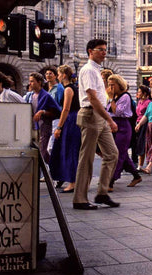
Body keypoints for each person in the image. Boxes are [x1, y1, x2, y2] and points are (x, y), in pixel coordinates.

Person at [72, 39, 120, 210]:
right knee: (87, 158)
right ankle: (80, 199)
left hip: (99, 116)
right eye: (100, 49)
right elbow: (92, 98)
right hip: (91, 115)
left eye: (105, 50)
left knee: (112, 153)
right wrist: (109, 119)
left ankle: (102, 193)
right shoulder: (88, 70)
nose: (104, 52)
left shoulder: (97, 71)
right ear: (90, 51)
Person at [106, 75, 142, 189]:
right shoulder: (114, 97)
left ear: (119, 85)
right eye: (109, 85)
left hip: (123, 126)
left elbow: (117, 112)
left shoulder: (125, 96)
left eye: (113, 85)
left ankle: (111, 180)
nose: (111, 87)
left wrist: (111, 99)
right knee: (122, 154)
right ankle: (136, 175)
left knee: (118, 154)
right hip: (114, 125)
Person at [50, 65, 81, 194]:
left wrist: (59, 127)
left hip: (71, 120)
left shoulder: (69, 89)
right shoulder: (73, 88)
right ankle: (71, 180)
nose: (57, 76)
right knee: (70, 150)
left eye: (58, 73)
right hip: (73, 119)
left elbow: (66, 109)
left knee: (70, 150)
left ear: (63, 75)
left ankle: (72, 182)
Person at [27, 72, 61, 165]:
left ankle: (52, 168)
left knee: (43, 150)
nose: (30, 83)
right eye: (30, 81)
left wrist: (43, 112)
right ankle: (51, 169)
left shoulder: (46, 96)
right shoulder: (30, 96)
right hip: (32, 126)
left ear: (39, 82)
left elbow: (56, 112)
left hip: (44, 126)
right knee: (36, 150)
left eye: (32, 81)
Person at [134, 85, 152, 171]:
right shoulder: (139, 101)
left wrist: (140, 124)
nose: (138, 93)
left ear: (144, 93)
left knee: (143, 143)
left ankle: (143, 164)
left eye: (140, 92)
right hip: (138, 123)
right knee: (139, 143)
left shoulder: (148, 102)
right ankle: (140, 164)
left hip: (145, 124)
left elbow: (147, 115)